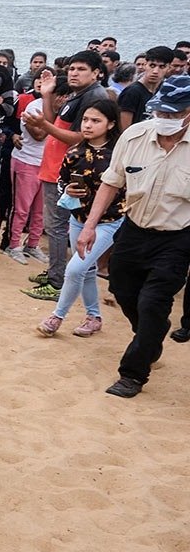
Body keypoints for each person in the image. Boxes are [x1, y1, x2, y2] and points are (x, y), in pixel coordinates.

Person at [75, 75, 190, 398]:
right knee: (122, 290)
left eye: (172, 114)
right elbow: (112, 182)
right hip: (134, 228)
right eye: (160, 113)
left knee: (154, 302)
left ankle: (133, 375)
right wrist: (90, 226)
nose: (164, 120)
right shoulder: (135, 136)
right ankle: (150, 334)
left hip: (177, 237)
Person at [21, 53, 109, 301]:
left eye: (81, 69)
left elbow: (81, 136)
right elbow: (54, 122)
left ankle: (57, 282)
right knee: (56, 225)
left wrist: (44, 126)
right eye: (71, 68)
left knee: (57, 227)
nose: (73, 73)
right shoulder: (78, 94)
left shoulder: (94, 97)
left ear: (96, 73)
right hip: (55, 168)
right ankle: (55, 272)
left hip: (69, 171)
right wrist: (47, 94)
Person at [36, 101, 123, 338]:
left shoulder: (118, 154)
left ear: (111, 124)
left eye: (96, 121)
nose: (88, 125)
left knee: (75, 268)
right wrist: (68, 191)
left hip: (109, 221)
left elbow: (125, 186)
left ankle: (57, 316)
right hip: (77, 219)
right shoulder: (74, 151)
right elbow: (62, 180)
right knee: (87, 269)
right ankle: (94, 317)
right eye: (85, 119)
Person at [5, 75, 56, 264]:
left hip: (47, 165)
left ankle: (33, 244)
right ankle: (14, 244)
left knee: (40, 210)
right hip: (26, 162)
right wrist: (55, 119)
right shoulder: (34, 107)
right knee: (21, 208)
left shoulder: (61, 111)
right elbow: (40, 135)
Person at [118, 46, 173, 129]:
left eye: (162, 67)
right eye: (152, 65)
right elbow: (124, 129)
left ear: (169, 68)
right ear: (145, 65)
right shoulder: (132, 92)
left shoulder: (163, 90)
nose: (155, 71)